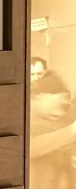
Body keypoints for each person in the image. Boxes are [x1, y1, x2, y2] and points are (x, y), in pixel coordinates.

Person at [30, 57, 76, 188]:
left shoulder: (62, 116)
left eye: (39, 74)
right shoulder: (27, 113)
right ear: (42, 97)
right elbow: (31, 147)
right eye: (32, 74)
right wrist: (71, 131)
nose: (35, 79)